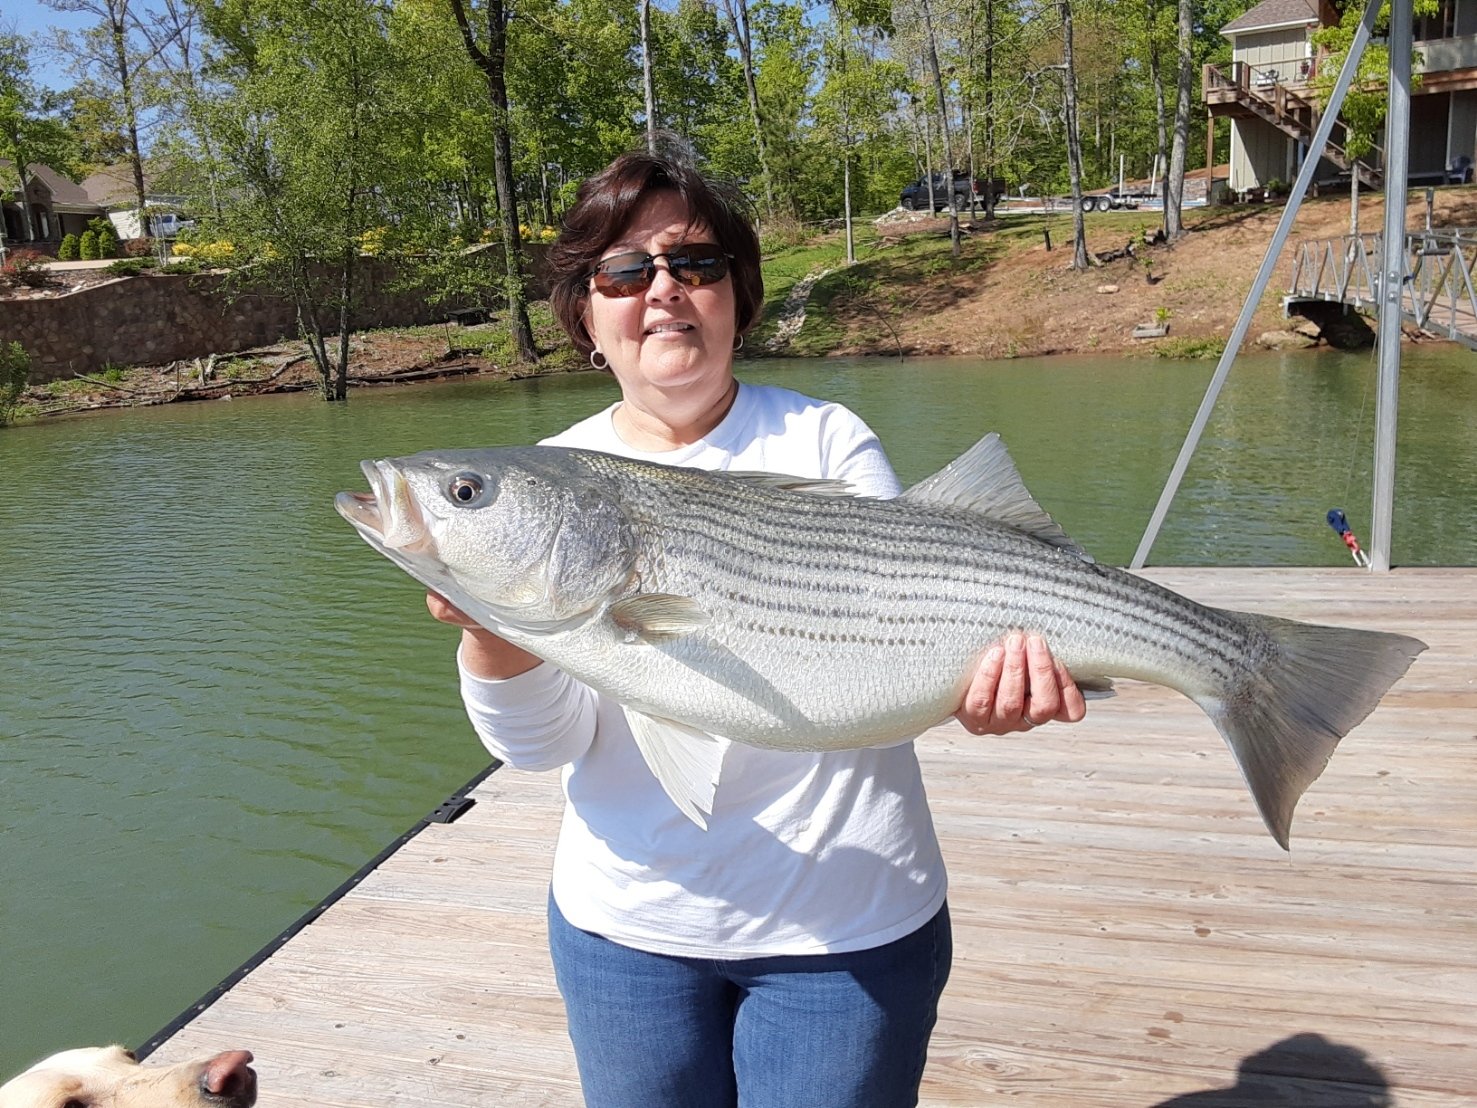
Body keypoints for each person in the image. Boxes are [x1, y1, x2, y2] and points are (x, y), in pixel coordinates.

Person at [427, 148, 1085, 1108]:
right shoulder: (551, 477)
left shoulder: (825, 440)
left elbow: (875, 682)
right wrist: (490, 630)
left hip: (844, 933)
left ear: (736, 295)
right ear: (585, 314)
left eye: (694, 265)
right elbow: (541, 748)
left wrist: (971, 696)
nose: (662, 291)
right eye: (623, 271)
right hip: (628, 935)